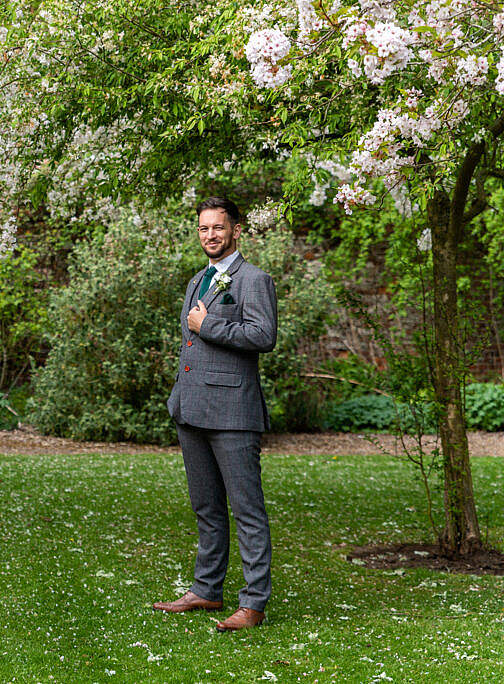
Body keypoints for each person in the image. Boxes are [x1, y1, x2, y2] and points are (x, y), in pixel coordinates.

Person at [153, 196, 278, 632]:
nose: (210, 235)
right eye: (204, 228)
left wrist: (210, 326)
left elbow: (263, 335)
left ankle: (254, 602)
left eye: (218, 228)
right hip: (191, 411)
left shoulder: (253, 279)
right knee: (206, 508)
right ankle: (206, 590)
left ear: (236, 229)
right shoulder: (196, 280)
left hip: (233, 413)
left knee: (247, 511)